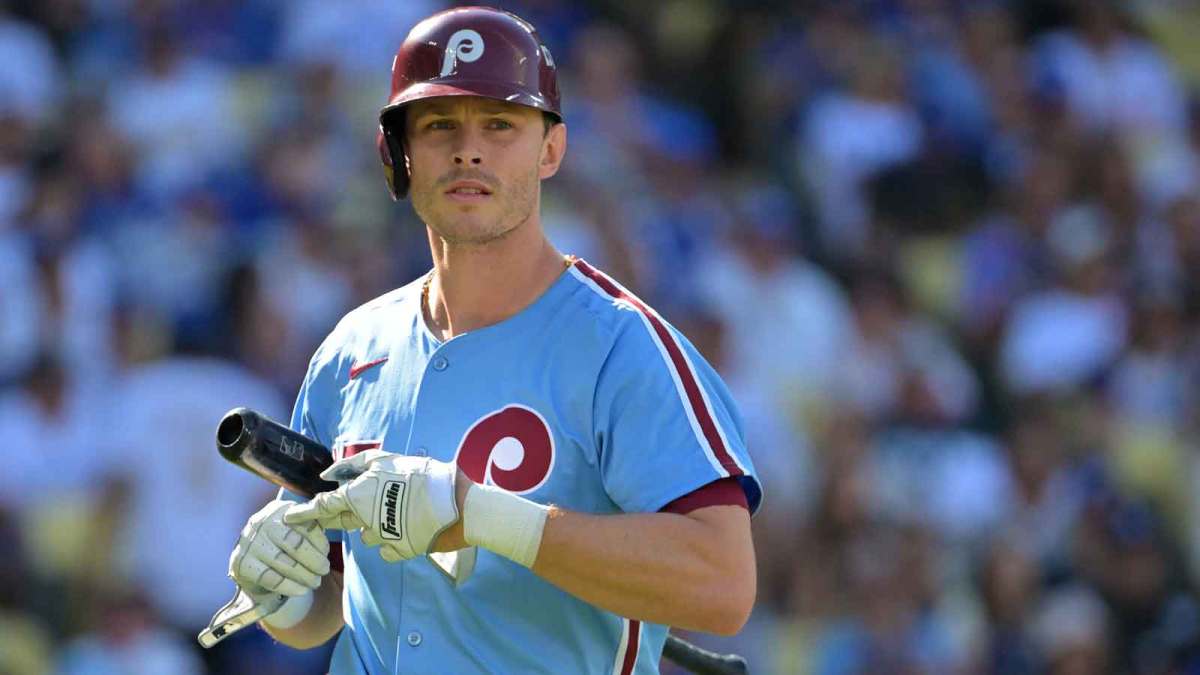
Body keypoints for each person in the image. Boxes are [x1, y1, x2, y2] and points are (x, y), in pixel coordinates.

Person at [223, 7, 761, 674]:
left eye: (500, 124)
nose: (467, 149)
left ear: (551, 150)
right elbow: (333, 598)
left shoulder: (624, 347)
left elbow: (722, 583)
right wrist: (282, 593)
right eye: (440, 124)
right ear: (398, 154)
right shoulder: (349, 349)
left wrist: (481, 515)